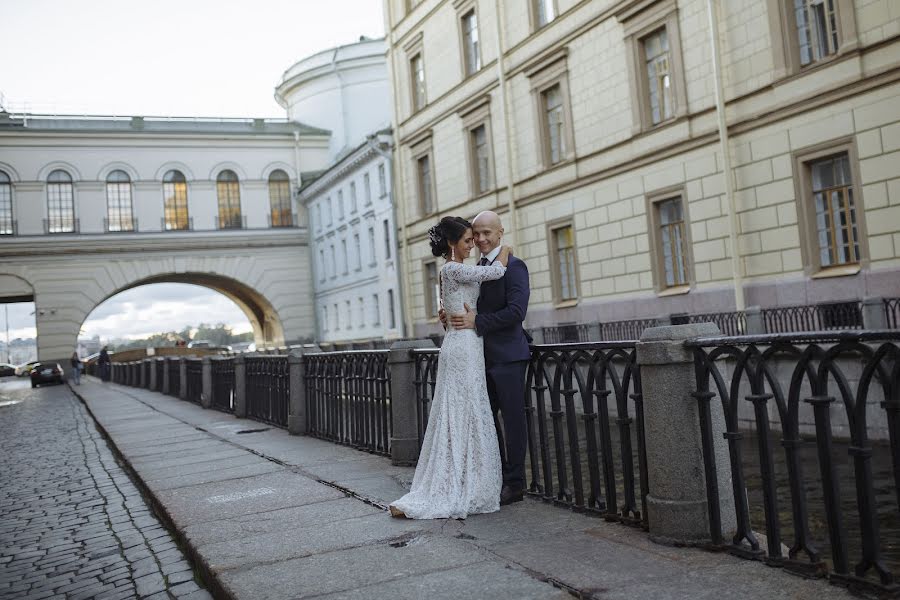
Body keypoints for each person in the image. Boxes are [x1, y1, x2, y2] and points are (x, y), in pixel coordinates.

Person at [389, 216, 511, 520]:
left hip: (463, 343)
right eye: (468, 241)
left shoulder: (451, 272)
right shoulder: (452, 267)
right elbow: (496, 272)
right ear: (452, 244)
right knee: (464, 409)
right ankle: (462, 481)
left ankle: (464, 476)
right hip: (464, 347)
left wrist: (446, 315)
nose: (473, 245)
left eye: (474, 240)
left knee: (462, 410)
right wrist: (505, 248)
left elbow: (455, 305)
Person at [446, 210, 531, 506]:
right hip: (478, 357)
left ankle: (515, 483)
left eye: (487, 233)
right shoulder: (476, 267)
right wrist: (451, 312)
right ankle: (492, 478)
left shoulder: (516, 266)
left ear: (500, 233)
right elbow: (467, 303)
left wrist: (477, 322)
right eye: (476, 234)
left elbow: (516, 312)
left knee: (513, 421)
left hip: (508, 356)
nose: (481, 239)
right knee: (486, 421)